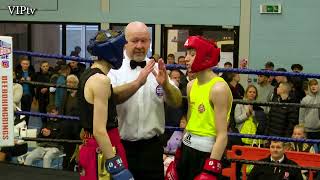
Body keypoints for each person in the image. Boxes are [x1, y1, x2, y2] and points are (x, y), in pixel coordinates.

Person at [108, 21, 182, 180]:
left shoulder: (157, 68)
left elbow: (176, 102)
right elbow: (111, 98)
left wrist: (167, 85)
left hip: (152, 148)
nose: (140, 45)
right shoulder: (114, 70)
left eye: (144, 40)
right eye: (135, 40)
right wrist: (137, 83)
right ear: (124, 42)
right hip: (122, 147)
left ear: (149, 42)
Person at [78, 30, 154, 180]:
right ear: (111, 51)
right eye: (121, 48)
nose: (123, 52)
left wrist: (138, 82)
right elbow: (99, 130)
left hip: (93, 145)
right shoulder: (101, 80)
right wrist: (116, 166)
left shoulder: (89, 75)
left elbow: (110, 96)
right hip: (103, 147)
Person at [166, 36, 232, 180]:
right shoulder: (191, 86)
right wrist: (178, 154)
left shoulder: (218, 88)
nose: (186, 59)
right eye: (187, 53)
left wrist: (210, 170)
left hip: (207, 153)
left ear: (205, 56)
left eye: (192, 54)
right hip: (186, 149)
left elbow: (222, 135)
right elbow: (190, 123)